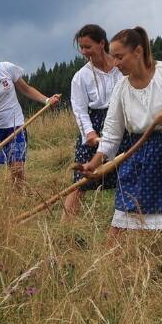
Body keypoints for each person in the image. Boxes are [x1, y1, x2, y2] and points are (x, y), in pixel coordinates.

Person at [82, 26, 162, 276]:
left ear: (138, 51)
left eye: (119, 56)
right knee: (121, 222)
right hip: (139, 157)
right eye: (113, 57)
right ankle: (105, 280)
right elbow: (111, 133)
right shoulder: (121, 88)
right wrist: (95, 162)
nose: (115, 62)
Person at [0, 42, 59, 186]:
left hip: (14, 125)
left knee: (17, 168)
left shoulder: (6, 68)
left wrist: (46, 100)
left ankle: (18, 199)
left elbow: (26, 89)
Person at [64, 24, 126, 217]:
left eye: (88, 46)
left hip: (123, 124)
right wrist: (89, 132)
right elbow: (80, 110)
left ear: (101, 43)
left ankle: (131, 221)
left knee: (128, 176)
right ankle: (65, 229)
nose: (84, 52)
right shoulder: (80, 77)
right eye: (81, 47)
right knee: (81, 180)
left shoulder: (121, 69)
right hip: (95, 126)